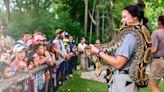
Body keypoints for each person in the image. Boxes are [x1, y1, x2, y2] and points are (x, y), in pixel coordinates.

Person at [90, 5, 149, 92]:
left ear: (135, 18)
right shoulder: (131, 35)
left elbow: (118, 63)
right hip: (121, 80)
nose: (122, 20)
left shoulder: (131, 36)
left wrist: (97, 52)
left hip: (124, 81)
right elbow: (114, 59)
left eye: (124, 17)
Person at [148, 15, 164, 92]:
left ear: (159, 22)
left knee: (152, 84)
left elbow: (153, 50)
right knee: (156, 85)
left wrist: (145, 50)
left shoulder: (156, 33)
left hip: (158, 62)